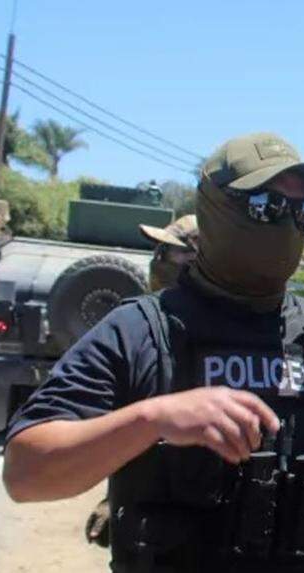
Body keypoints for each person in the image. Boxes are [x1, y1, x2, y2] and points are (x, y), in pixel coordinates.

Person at [2, 132, 304, 573]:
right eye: (265, 206)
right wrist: (152, 419)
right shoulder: (139, 333)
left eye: (301, 212)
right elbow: (26, 473)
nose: (285, 224)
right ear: (213, 209)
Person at [84, 215, 203, 547]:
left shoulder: (211, 331)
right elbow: (129, 432)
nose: (157, 261)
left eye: (169, 252)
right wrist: (114, 499)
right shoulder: (147, 324)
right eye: (158, 252)